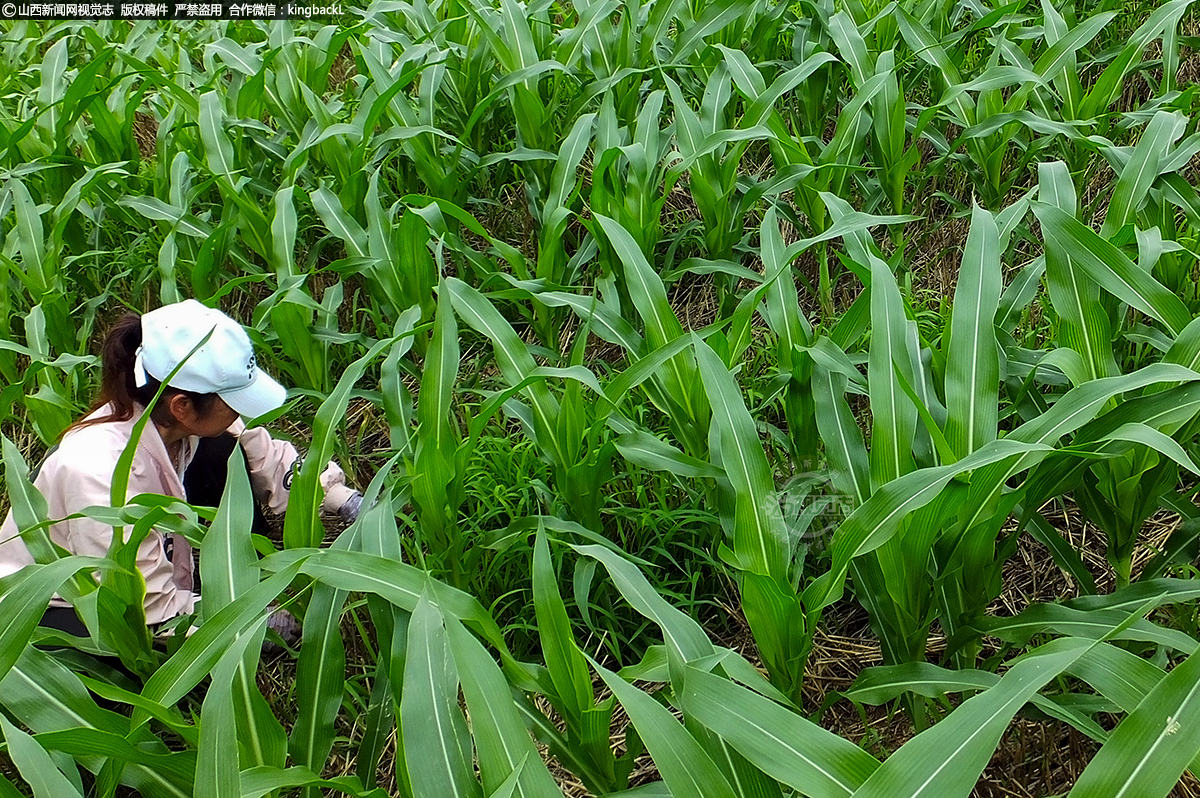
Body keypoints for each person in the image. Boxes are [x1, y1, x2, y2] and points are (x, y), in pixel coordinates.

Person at [0, 299, 363, 639]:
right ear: (182, 406)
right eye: (233, 402)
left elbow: (267, 456)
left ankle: (242, 575)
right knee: (117, 653)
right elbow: (145, 606)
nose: (241, 412)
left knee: (226, 449)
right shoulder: (98, 472)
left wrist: (339, 496)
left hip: (136, 582)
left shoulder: (180, 422)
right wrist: (248, 619)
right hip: (55, 606)